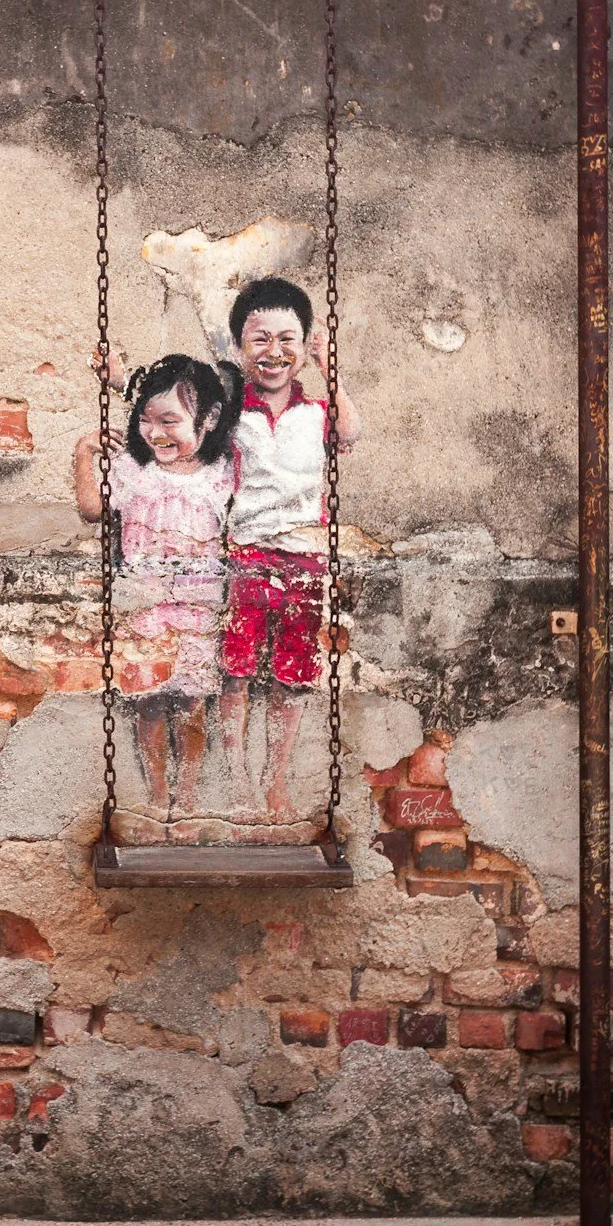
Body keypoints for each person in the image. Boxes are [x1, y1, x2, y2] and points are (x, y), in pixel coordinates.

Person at [215, 276, 362, 818]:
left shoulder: (317, 414)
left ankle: (275, 778)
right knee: (236, 670)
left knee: (293, 674)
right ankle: (236, 777)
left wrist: (329, 367)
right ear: (240, 347)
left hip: (305, 558)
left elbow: (351, 433)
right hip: (245, 555)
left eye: (287, 339)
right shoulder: (231, 415)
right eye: (260, 339)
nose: (273, 352)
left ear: (304, 345)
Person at [72, 353, 242, 821]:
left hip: (198, 608)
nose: (156, 432)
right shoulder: (133, 469)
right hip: (144, 605)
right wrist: (84, 453)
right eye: (146, 420)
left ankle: (185, 799)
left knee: (191, 704)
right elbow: (91, 510)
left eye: (170, 421)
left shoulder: (221, 473)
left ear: (208, 420)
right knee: (148, 702)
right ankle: (156, 796)